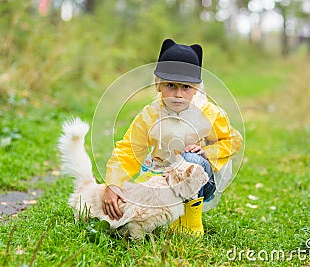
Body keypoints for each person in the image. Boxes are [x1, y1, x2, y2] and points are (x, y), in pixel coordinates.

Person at [101, 38, 243, 235]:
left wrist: (207, 151)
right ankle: (163, 217)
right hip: (162, 171)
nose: (178, 94)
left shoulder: (208, 113)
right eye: (171, 85)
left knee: (189, 160)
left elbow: (233, 140)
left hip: (200, 177)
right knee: (141, 195)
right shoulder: (151, 114)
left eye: (186, 87)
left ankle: (190, 222)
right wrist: (113, 184)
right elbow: (129, 149)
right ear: (158, 85)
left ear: (196, 89)